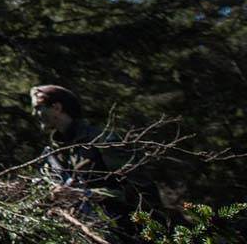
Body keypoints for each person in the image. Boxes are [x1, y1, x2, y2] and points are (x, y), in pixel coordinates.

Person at [31, 84, 156, 242]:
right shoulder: (54, 154)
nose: (34, 113)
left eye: (38, 107)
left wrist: (89, 195)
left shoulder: (102, 140)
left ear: (56, 107)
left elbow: (141, 191)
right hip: (78, 230)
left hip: (123, 231)